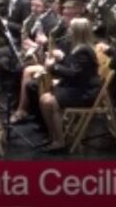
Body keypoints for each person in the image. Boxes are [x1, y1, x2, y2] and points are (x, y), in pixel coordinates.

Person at [38, 18, 102, 153]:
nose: (68, 31)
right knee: (43, 99)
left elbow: (74, 73)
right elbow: (73, 67)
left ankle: (59, 142)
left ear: (77, 32)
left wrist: (54, 67)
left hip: (85, 92)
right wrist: (61, 59)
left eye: (71, 29)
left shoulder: (84, 50)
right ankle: (54, 136)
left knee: (50, 101)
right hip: (77, 86)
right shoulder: (78, 47)